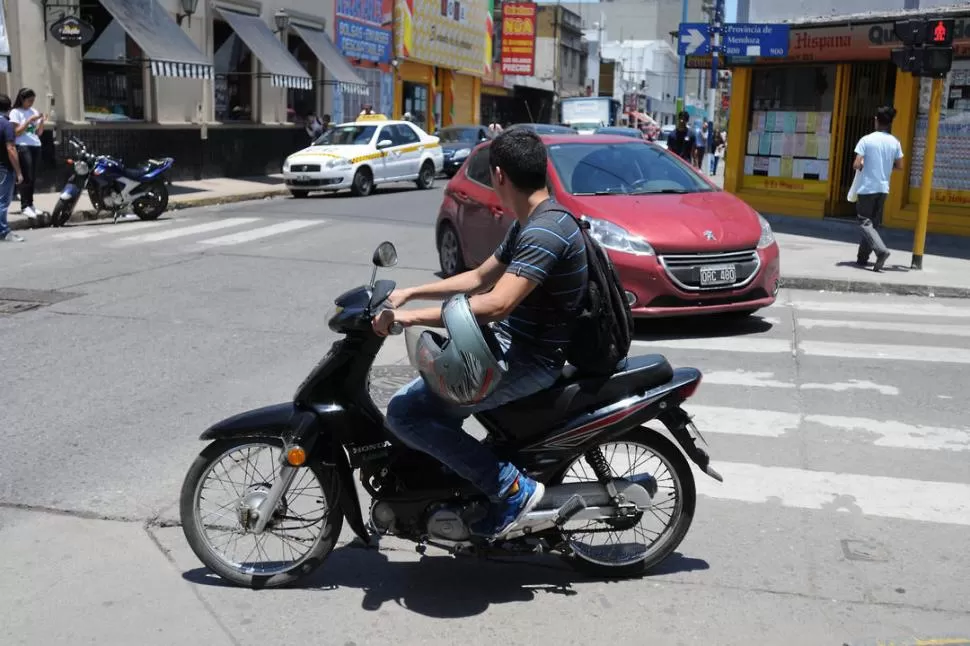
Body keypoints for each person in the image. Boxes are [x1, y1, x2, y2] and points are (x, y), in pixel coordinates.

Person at [375, 128, 588, 538]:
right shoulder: (533, 221)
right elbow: (477, 278)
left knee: (405, 413)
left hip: (529, 360)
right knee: (421, 401)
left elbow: (496, 304)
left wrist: (413, 317)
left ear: (499, 176)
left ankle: (510, 489)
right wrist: (409, 292)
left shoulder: (545, 231)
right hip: (511, 347)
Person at [853, 105, 903, 272]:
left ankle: (881, 251)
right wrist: (886, 167)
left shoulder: (866, 140)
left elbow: (856, 164)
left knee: (864, 222)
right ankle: (862, 258)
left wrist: (864, 165)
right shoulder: (895, 142)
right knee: (872, 224)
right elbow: (900, 165)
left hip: (867, 187)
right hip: (883, 188)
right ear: (889, 123)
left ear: (876, 120)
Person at [9, 88, 44, 226]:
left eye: (33, 101)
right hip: (22, 145)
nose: (31, 103)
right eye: (29, 101)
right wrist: (29, 120)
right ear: (22, 99)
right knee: (27, 176)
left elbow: (38, 133)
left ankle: (31, 204)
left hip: (35, 144)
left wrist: (41, 121)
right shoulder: (15, 112)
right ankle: (25, 206)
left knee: (33, 176)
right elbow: (16, 132)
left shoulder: (34, 111)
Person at [0, 94, 25, 242]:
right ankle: (3, 232)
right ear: (9, 109)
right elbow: (11, 149)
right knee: (2, 202)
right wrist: (18, 172)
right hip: (3, 168)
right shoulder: (6, 124)